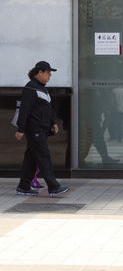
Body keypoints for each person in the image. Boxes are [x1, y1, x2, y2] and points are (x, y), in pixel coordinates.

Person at [14, 61, 69, 197]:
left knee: (31, 159)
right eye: (48, 73)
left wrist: (53, 122)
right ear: (40, 72)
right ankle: (54, 187)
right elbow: (24, 110)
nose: (50, 75)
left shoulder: (42, 89)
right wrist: (20, 129)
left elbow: (47, 109)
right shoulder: (30, 88)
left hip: (42, 129)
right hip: (35, 130)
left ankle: (23, 187)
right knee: (44, 157)